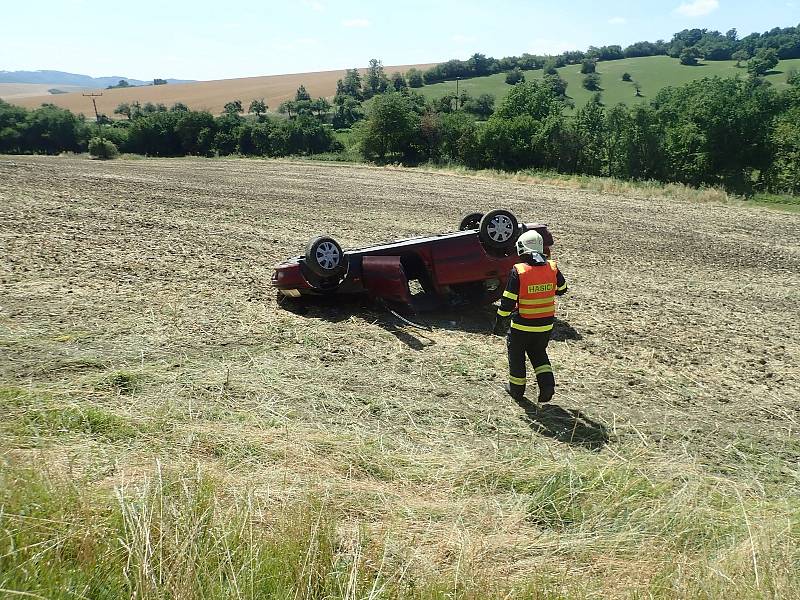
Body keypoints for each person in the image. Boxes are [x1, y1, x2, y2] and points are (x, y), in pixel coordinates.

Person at [493, 230, 568, 403]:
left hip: (522, 326)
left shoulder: (519, 271)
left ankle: (517, 389)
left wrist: (500, 322)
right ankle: (547, 386)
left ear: (521, 249)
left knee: (517, 354)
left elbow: (508, 301)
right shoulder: (552, 267)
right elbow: (562, 289)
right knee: (538, 353)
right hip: (545, 326)